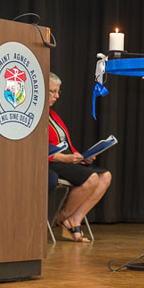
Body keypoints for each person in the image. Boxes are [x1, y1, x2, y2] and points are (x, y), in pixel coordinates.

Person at [48, 72, 112, 243]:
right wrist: (66, 159)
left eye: (58, 91)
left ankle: (74, 219)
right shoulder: (36, 116)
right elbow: (42, 148)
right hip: (52, 162)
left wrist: (82, 156)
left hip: (66, 160)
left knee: (105, 176)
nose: (57, 96)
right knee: (91, 178)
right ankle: (62, 216)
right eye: (52, 91)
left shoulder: (53, 115)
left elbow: (66, 144)